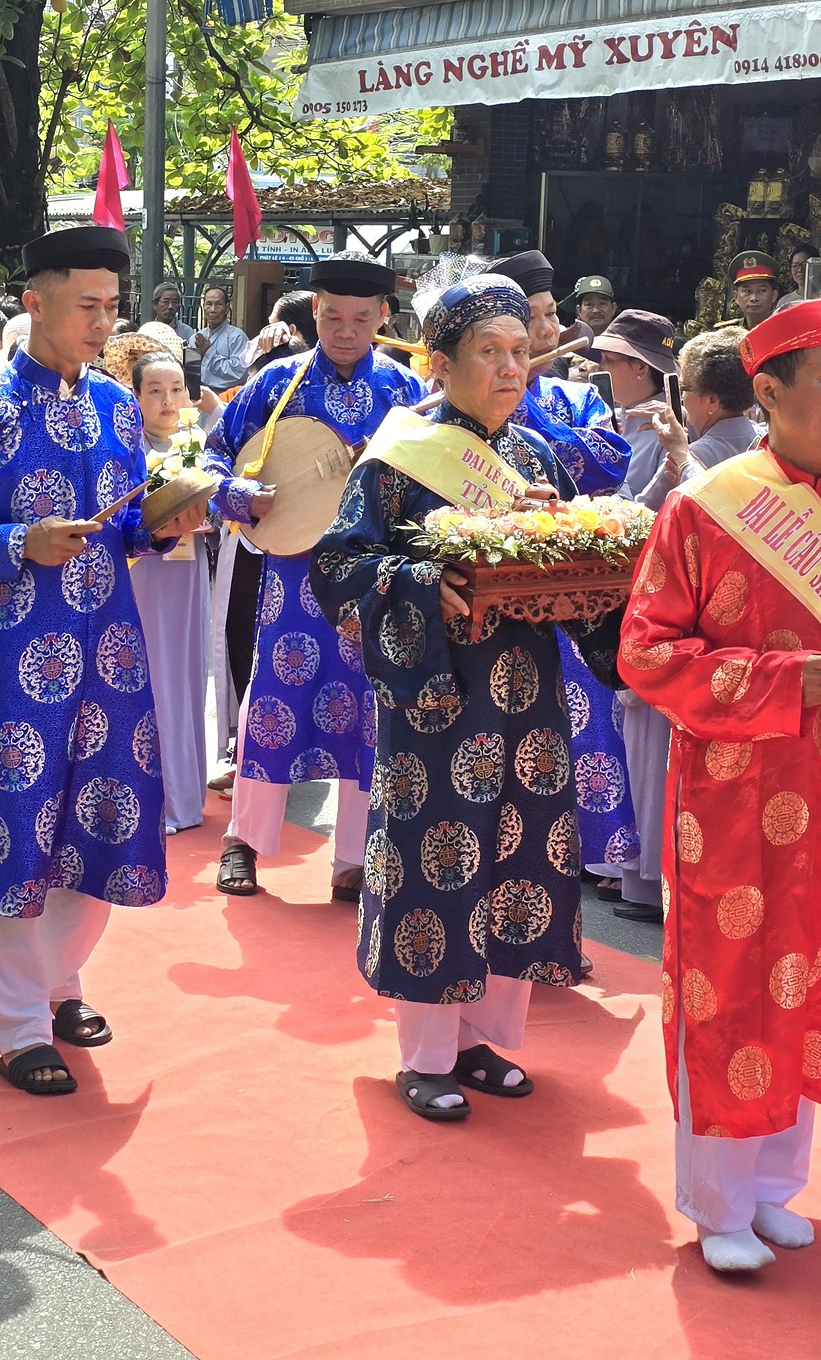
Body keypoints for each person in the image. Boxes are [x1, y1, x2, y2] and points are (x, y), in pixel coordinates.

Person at [620, 295, 821, 1273]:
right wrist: (766, 678)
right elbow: (644, 650)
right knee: (731, 975)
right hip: (728, 782)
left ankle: (772, 1184)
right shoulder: (701, 506)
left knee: (813, 963)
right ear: (767, 392)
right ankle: (716, 1198)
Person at [0, 224, 207, 1095]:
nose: (103, 324)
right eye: (86, 307)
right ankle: (15, 1025)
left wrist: (159, 523)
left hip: (109, 648)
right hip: (7, 659)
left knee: (95, 818)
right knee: (10, 825)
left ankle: (59, 982)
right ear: (35, 302)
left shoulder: (114, 406)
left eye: (113, 307)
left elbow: (124, 525)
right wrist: (10, 541)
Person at [313, 272, 620, 1120]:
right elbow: (338, 567)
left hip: (530, 700)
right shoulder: (400, 456)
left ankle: (485, 1038)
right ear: (441, 364)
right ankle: (425, 1054)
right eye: (490, 352)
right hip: (437, 701)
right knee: (437, 859)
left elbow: (580, 576)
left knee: (522, 854)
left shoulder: (537, 455)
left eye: (520, 351)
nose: (512, 367)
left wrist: (578, 562)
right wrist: (420, 583)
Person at [202, 253, 427, 900]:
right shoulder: (278, 382)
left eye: (361, 318)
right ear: (317, 312)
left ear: (384, 318)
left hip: (376, 577)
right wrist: (241, 496)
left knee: (368, 710)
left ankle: (353, 859)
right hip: (294, 575)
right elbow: (212, 453)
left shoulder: (409, 391)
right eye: (333, 316)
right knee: (274, 700)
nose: (345, 330)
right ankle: (243, 840)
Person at [492, 252, 638, 893]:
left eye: (553, 317)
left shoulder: (575, 394)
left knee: (587, 708)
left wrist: (535, 418)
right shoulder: (462, 407)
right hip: (496, 584)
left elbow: (611, 460)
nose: (554, 331)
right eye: (541, 318)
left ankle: (598, 847)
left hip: (570, 579)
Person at [610, 326, 762, 921]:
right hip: (706, 618)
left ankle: (657, 880)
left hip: (694, 618)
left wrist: (677, 455)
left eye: (689, 392)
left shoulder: (719, 450)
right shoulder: (736, 441)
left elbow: (664, 514)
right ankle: (652, 878)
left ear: (707, 400)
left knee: (663, 752)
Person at [127, 349, 212, 834]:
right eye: (154, 390)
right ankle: (147, 797)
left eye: (176, 389)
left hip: (187, 575)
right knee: (149, 676)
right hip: (142, 576)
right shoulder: (124, 450)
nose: (166, 400)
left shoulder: (199, 446)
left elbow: (224, 507)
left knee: (184, 676)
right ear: (136, 396)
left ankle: (182, 797)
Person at [495, 252, 631, 493]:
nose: (548, 330)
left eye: (550, 314)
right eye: (529, 318)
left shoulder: (581, 399)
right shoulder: (472, 400)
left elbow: (610, 465)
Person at [193, 285, 251, 391]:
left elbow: (238, 373)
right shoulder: (196, 337)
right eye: (209, 304)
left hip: (227, 396)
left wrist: (209, 353)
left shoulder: (237, 337)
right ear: (204, 307)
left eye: (218, 304)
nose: (213, 310)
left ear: (227, 308)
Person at [729, 251, 782, 331]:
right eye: (747, 291)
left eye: (762, 290)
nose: (754, 298)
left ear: (774, 296)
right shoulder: (728, 334)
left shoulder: (785, 330)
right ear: (736, 297)